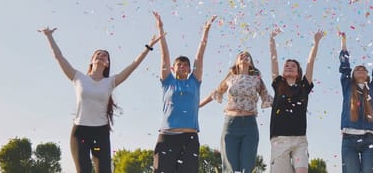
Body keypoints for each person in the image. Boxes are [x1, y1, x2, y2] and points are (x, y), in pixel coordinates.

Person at [39, 26, 162, 173]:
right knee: (83, 170)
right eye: (98, 54)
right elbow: (59, 57)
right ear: (92, 60)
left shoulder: (110, 82)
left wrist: (149, 47)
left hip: (100, 134)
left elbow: (133, 65)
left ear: (107, 63)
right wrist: (49, 36)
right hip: (80, 134)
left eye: (105, 56)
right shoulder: (78, 77)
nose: (101, 56)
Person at [152, 12, 217, 173]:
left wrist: (206, 32)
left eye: (185, 65)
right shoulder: (168, 82)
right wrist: (160, 29)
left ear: (189, 69)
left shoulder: (194, 82)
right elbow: (164, 56)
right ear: (173, 68)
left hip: (189, 138)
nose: (182, 66)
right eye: (179, 64)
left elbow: (199, 56)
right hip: (167, 136)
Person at [200, 50, 273, 173]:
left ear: (251, 63)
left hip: (249, 125)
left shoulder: (257, 80)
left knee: (247, 166)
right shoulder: (230, 78)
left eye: (247, 56)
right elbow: (215, 93)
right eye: (241, 56)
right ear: (236, 62)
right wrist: (197, 105)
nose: (244, 57)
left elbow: (267, 98)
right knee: (230, 167)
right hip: (230, 125)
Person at [269, 27, 325, 173]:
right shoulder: (278, 84)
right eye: (286, 65)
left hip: (300, 141)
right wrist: (272, 40)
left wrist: (316, 43)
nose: (289, 67)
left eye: (293, 66)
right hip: (279, 140)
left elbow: (310, 63)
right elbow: (273, 60)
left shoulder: (303, 87)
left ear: (298, 72)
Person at [338, 30, 373, 173]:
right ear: (353, 75)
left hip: (369, 139)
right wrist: (344, 42)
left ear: (367, 75)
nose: (360, 70)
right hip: (349, 139)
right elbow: (344, 67)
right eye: (357, 69)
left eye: (364, 69)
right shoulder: (348, 87)